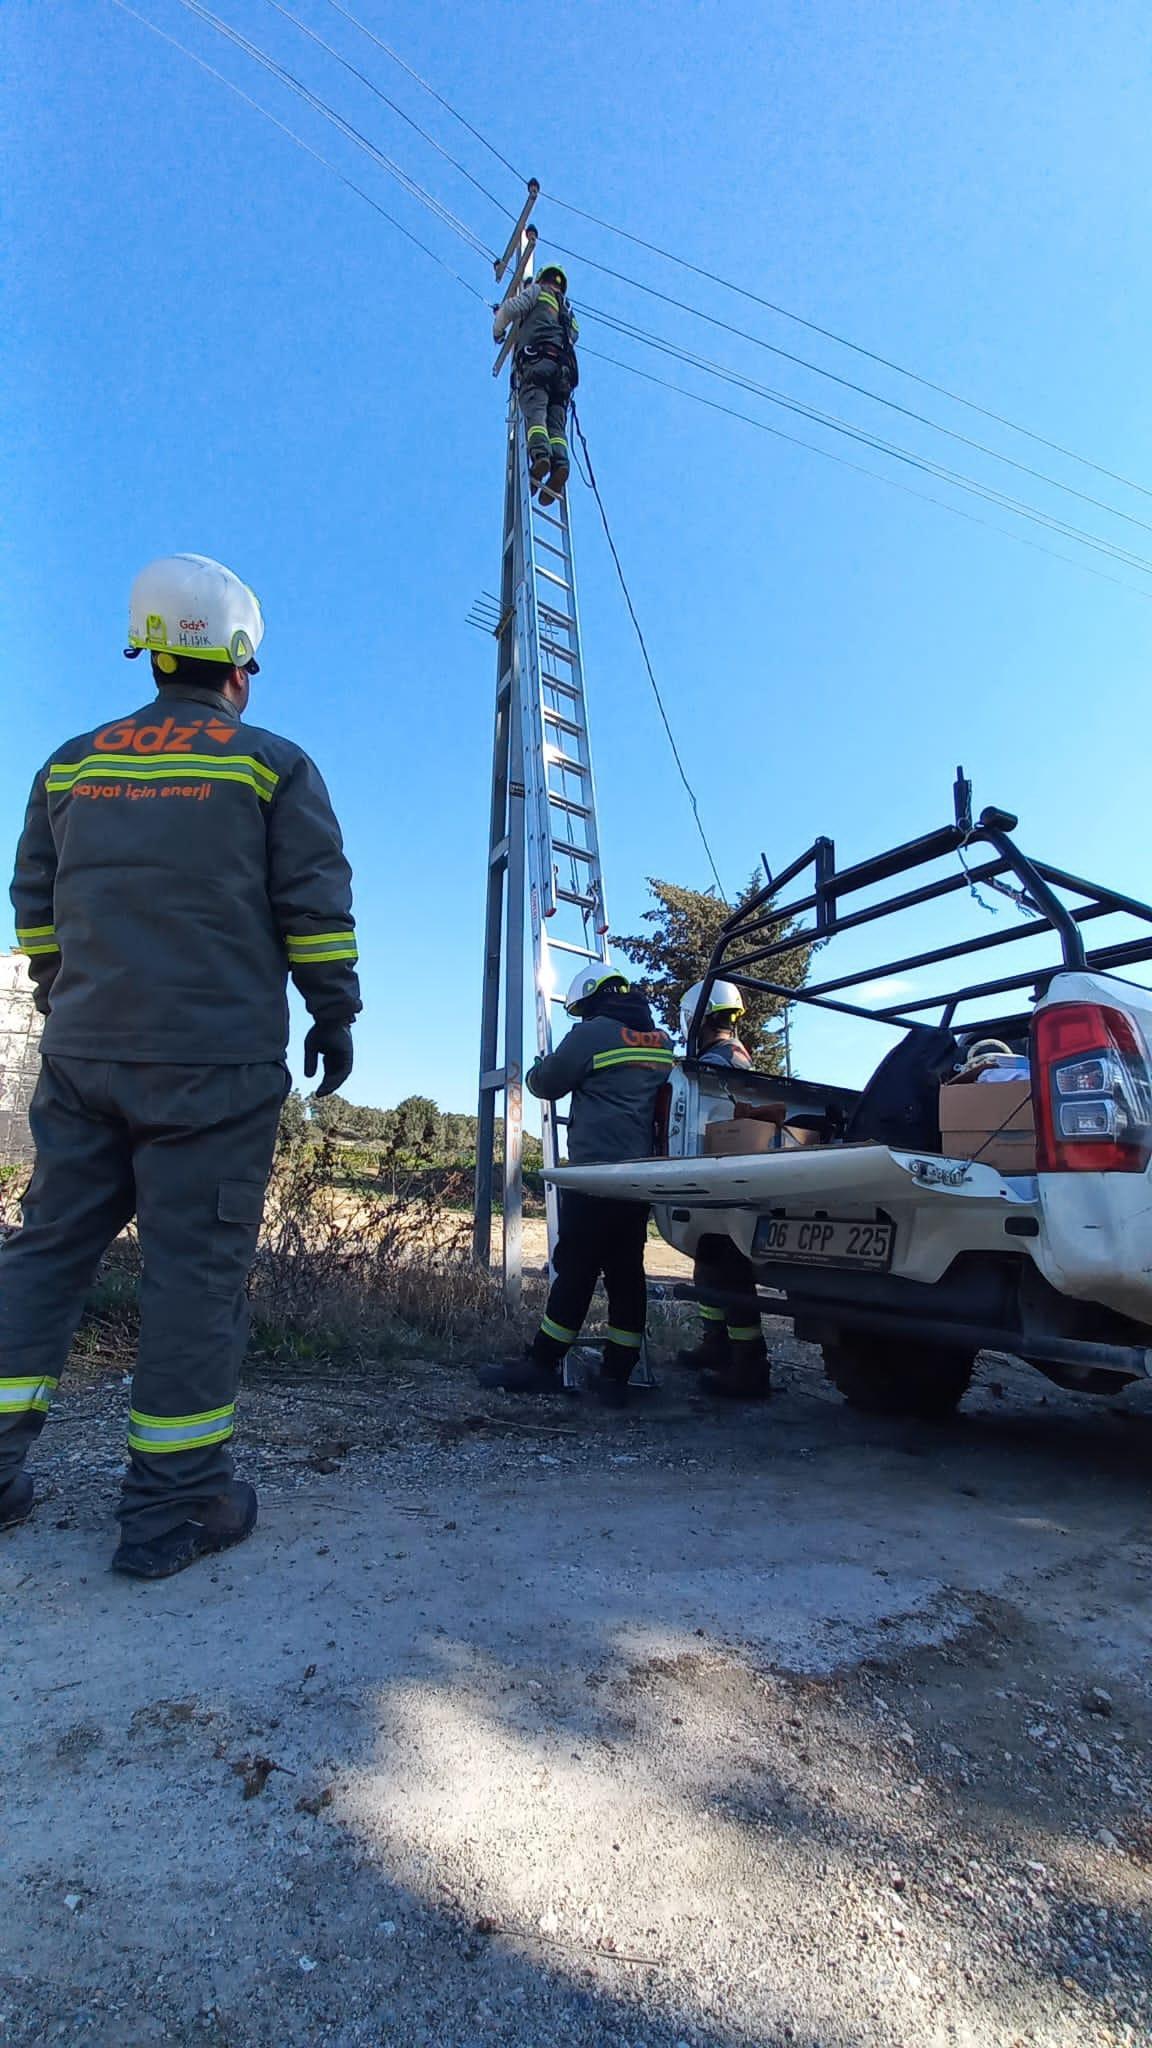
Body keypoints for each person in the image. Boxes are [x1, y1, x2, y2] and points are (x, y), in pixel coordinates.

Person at [0, 553, 361, 1578]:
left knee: (45, 1255)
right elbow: (316, 912)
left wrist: (62, 991)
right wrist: (335, 1014)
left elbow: (34, 902)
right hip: (213, 1067)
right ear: (239, 661)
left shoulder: (70, 764)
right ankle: (171, 1511)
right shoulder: (269, 764)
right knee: (193, 1279)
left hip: (82, 1056)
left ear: (151, 650)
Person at [479, 966, 674, 1407]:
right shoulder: (661, 1041)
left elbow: (547, 1084)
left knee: (577, 1267)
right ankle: (616, 1377)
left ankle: (543, 1364)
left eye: (582, 1011)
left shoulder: (592, 1035)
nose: (581, 1020)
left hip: (596, 1175)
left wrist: (533, 1069)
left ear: (592, 1002)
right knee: (626, 1273)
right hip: (639, 1178)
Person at [678, 980, 772, 1400]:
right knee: (712, 1259)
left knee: (730, 1270)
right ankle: (716, 1344)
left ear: (697, 1018)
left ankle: (749, 1365)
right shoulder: (734, 1056)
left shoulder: (718, 1064)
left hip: (726, 1179)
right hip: (722, 1177)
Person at [492, 263, 579, 505]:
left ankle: (540, 457)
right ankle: (560, 463)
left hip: (537, 363)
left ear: (542, 278)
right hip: (564, 375)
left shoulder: (537, 291)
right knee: (556, 425)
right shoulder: (567, 311)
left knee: (535, 411)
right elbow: (574, 337)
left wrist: (498, 330)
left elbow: (510, 309)